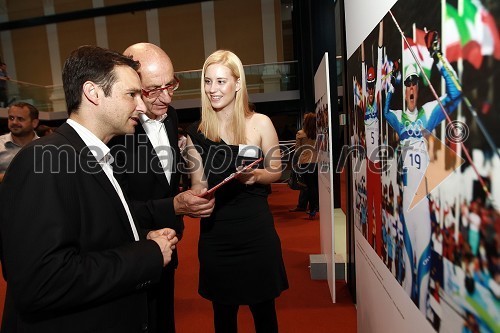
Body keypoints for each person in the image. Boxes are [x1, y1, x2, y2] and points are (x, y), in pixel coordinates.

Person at [0, 45, 178, 332]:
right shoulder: (42, 161)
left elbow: (89, 236)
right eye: (132, 94)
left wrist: (142, 236)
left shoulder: (97, 155)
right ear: (93, 93)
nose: (142, 106)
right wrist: (147, 255)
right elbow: (42, 282)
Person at [110, 42, 215, 333]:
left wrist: (189, 193)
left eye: (171, 85)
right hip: (129, 255)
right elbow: (115, 210)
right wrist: (175, 206)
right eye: (153, 89)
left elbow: (164, 180)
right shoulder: (115, 133)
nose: (166, 97)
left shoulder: (172, 118)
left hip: (169, 246)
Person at [185, 50, 288, 333]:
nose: (212, 89)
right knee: (223, 315)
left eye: (220, 81)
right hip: (217, 235)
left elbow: (276, 171)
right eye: (208, 81)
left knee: (264, 312)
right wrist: (195, 198)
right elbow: (199, 184)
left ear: (237, 83)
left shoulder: (261, 123)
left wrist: (255, 176)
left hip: (256, 232)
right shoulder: (196, 132)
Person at [383, 30, 462, 315]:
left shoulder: (429, 111)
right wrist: (390, 84)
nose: (411, 88)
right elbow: (383, 111)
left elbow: (456, 93)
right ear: (404, 91)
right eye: (407, 85)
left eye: (414, 83)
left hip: (423, 201)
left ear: (419, 87)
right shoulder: (398, 118)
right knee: (407, 277)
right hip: (406, 204)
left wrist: (437, 56)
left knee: (425, 270)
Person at [288, 112, 319, 218]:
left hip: (305, 162)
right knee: (315, 186)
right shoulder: (319, 133)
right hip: (318, 162)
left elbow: (297, 150)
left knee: (308, 187)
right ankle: (315, 207)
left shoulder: (300, 133)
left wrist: (295, 163)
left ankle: (312, 209)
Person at [0, 102, 40, 183]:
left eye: (20, 119)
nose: (14, 122)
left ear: (34, 123)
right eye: (11, 118)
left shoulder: (46, 146)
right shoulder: (0, 144)